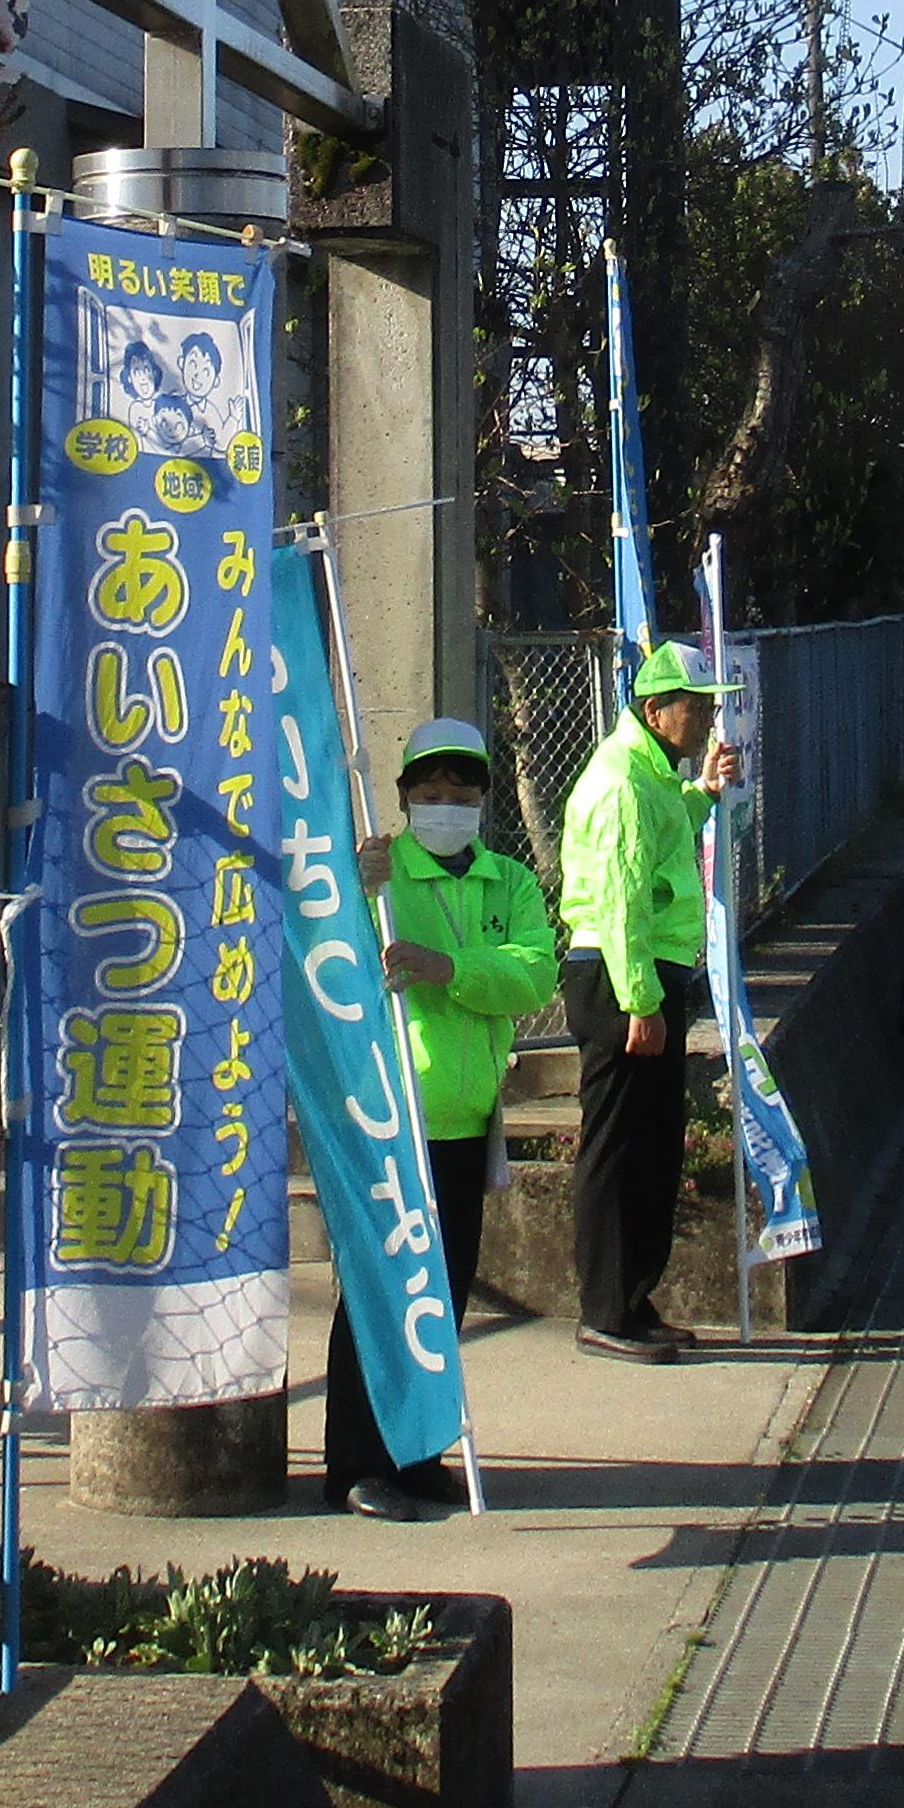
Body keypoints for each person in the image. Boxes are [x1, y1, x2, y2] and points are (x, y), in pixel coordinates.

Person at [326, 718, 559, 1520]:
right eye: (430, 788)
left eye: (462, 788)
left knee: (442, 1294)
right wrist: (354, 893)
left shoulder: (508, 883)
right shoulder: (378, 878)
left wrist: (448, 967)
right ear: (403, 797)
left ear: (484, 798)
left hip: (464, 1124)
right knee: (378, 1292)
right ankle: (356, 1464)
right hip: (392, 1122)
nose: (446, 801)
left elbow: (533, 976)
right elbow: (336, 965)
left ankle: (417, 1453)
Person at [557, 638, 736, 1361]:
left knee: (654, 1145)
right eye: (698, 707)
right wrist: (640, 1001)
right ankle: (605, 1310)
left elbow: (661, 842)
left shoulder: (653, 773)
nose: (708, 719)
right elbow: (622, 896)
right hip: (620, 976)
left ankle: (632, 1301)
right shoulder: (624, 779)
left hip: (647, 974)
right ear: (657, 709)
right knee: (619, 1145)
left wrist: (705, 795)